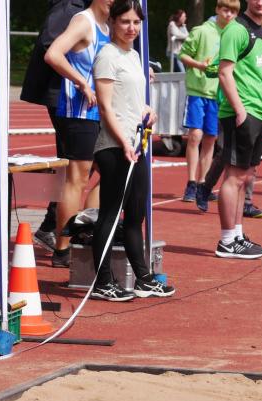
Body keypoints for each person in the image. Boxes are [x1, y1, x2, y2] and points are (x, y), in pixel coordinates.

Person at [91, 0, 177, 301]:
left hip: (135, 145)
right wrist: (124, 142)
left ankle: (142, 277)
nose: (131, 28)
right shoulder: (107, 55)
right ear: (112, 22)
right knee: (111, 214)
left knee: (135, 215)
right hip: (115, 147)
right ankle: (103, 281)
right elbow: (105, 106)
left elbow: (129, 101)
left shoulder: (134, 55)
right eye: (125, 22)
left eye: (136, 23)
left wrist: (147, 110)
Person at [45, 0, 113, 268]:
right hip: (80, 112)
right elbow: (53, 54)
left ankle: (85, 231)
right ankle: (62, 249)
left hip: (103, 113)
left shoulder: (109, 25)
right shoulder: (83, 21)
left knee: (109, 174)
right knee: (77, 179)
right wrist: (81, 82)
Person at [21, 0, 91, 252]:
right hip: (63, 97)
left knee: (78, 169)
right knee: (74, 168)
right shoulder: (68, 8)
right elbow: (50, 46)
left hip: (73, 98)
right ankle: (56, 233)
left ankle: (51, 227)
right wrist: (81, 72)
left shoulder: (82, 10)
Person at [214, 0, 262, 260]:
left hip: (258, 112)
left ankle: (237, 235)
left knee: (245, 177)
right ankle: (227, 240)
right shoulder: (236, 29)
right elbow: (224, 72)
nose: (261, 1)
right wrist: (239, 109)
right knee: (234, 176)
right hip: (242, 112)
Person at [178, 0, 239, 204]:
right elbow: (183, 54)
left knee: (211, 138)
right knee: (195, 136)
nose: (228, 14)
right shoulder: (202, 30)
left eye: (233, 11)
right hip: (197, 91)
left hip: (218, 95)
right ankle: (191, 182)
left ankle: (203, 182)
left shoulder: (234, 34)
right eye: (225, 9)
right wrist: (199, 66)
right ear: (217, 9)